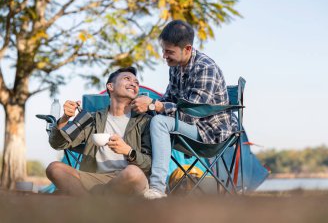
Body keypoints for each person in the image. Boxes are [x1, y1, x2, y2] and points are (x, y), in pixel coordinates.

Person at [132, 20, 236, 199]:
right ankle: (138, 183)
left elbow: (191, 114)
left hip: (210, 134)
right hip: (191, 128)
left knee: (159, 122)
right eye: (164, 50)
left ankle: (157, 188)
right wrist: (145, 105)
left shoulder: (205, 68)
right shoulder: (176, 67)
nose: (164, 56)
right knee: (147, 119)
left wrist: (154, 105)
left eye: (169, 51)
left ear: (187, 49)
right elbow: (168, 100)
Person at [46, 67, 152, 196]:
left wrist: (128, 151)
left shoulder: (144, 121)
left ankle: (92, 202)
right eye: (127, 79)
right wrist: (64, 119)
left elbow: (150, 164)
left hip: (129, 178)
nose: (133, 83)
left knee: (132, 172)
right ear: (110, 86)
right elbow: (58, 144)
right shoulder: (92, 119)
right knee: (54, 168)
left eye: (136, 82)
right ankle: (92, 204)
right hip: (96, 179)